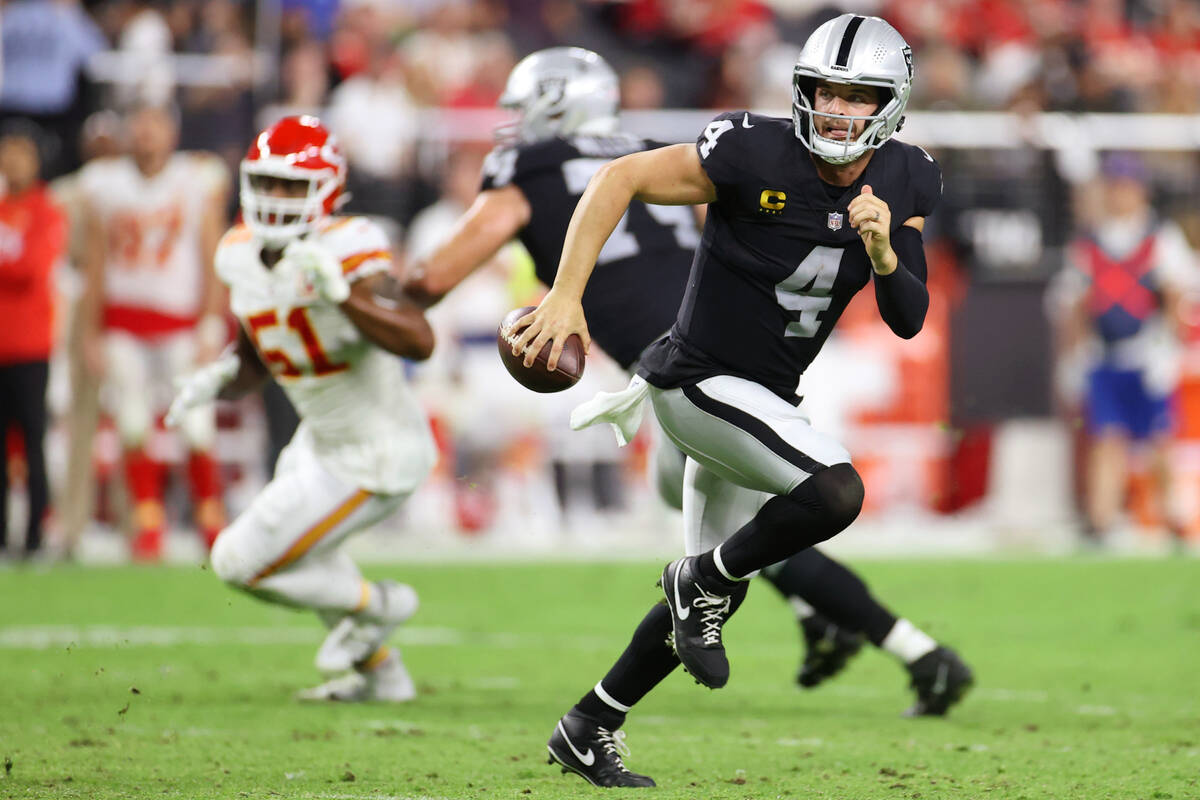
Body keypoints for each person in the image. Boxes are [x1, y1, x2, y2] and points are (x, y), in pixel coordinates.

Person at [406, 42, 972, 778]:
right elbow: (617, 177)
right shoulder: (752, 150)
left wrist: (885, 251)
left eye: (855, 96)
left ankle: (589, 723)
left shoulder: (908, 174)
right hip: (697, 378)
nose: (835, 109)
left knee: (716, 592)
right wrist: (566, 296)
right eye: (823, 92)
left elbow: (908, 315)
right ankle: (711, 583)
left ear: (888, 105)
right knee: (834, 490)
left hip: (763, 394)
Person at [167, 115, 437, 702]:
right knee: (310, 558)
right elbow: (259, 353)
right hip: (319, 443)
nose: (277, 197)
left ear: (328, 189)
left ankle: (383, 605)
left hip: (376, 453)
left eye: (293, 185)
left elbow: (419, 339)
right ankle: (383, 675)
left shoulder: (348, 245)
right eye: (268, 182)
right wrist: (218, 378)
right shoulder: (238, 252)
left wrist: (343, 297)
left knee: (239, 561)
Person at [77, 104, 230, 560]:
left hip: (179, 318)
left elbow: (211, 252)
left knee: (197, 424)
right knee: (131, 420)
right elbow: (96, 260)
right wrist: (90, 331)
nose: (146, 133)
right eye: (139, 123)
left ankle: (210, 518)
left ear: (173, 130)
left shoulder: (193, 179)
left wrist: (211, 318)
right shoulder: (105, 184)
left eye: (155, 123)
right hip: (124, 318)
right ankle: (148, 522)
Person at [1050, 152, 1194, 545]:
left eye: (1127, 187)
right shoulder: (1090, 242)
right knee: (1106, 439)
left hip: (1147, 352)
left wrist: (1168, 347)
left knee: (1160, 439)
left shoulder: (1159, 237)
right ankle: (1102, 519)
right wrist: (1074, 356)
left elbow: (1174, 294)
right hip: (1104, 354)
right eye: (1114, 187)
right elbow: (1075, 303)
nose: (1120, 195)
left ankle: (1173, 517)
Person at [0, 125, 67, 558]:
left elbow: (30, 268)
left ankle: (36, 534)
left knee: (34, 439)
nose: (12, 162)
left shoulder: (46, 209)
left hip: (30, 345)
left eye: (20, 154)